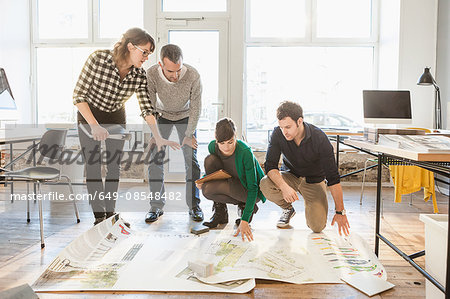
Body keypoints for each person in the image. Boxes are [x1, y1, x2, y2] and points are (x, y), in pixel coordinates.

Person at [73, 28, 179, 226]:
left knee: (114, 167)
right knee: (94, 166)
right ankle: (99, 218)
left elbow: (147, 108)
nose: (147, 57)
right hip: (89, 114)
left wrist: (158, 135)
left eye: (149, 53)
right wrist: (95, 126)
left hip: (115, 115)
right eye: (145, 52)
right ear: (130, 46)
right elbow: (78, 96)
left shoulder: (139, 75)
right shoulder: (98, 59)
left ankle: (110, 215)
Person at [260, 101, 350, 235]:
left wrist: (340, 211)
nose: (284, 132)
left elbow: (333, 178)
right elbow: (270, 166)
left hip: (314, 181)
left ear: (300, 121)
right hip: (290, 176)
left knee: (317, 227)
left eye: (288, 127)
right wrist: (284, 188)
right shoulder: (278, 134)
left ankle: (312, 204)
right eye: (281, 127)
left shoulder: (319, 138)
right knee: (265, 183)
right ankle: (287, 209)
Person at [145, 44, 203, 223]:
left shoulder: (193, 75)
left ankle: (194, 206)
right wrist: (155, 133)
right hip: (162, 116)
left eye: (178, 70)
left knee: (191, 161)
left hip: (186, 117)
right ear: (161, 65)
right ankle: (156, 207)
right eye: (170, 71)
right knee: (155, 159)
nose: (175, 75)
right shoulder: (152, 74)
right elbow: (149, 105)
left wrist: (189, 133)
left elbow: (196, 108)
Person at [197, 118, 265, 242]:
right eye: (222, 143)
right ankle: (221, 212)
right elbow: (214, 171)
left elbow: (253, 187)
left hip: (249, 190)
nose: (226, 147)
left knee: (209, 188)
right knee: (209, 162)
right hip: (230, 182)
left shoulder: (245, 152)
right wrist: (203, 179)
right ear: (216, 140)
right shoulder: (213, 147)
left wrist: (245, 220)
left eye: (230, 142)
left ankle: (246, 207)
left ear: (236, 136)